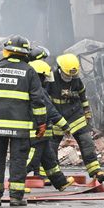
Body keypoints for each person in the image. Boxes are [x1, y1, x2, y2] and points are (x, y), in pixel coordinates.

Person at [0, 35, 47, 208]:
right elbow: (38, 100)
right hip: (20, 127)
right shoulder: (29, 71)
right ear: (25, 53)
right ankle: (16, 198)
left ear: (6, 51)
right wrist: (42, 122)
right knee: (18, 161)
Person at [50, 53, 104, 182]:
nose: (70, 77)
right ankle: (50, 175)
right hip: (57, 118)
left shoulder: (76, 80)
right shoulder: (50, 80)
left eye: (72, 75)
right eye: (67, 75)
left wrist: (87, 112)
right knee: (50, 148)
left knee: (87, 142)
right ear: (60, 69)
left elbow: (83, 98)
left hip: (75, 116)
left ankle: (96, 172)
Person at [26, 59, 71, 190]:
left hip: (42, 133)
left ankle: (60, 182)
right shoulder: (38, 90)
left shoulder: (30, 88)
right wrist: (65, 125)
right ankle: (16, 181)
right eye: (44, 77)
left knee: (49, 159)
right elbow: (51, 111)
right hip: (36, 132)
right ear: (39, 76)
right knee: (31, 160)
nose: (46, 80)